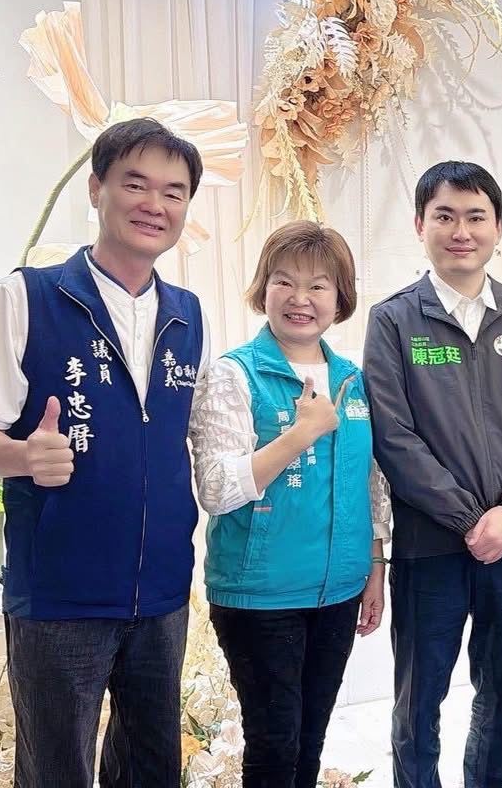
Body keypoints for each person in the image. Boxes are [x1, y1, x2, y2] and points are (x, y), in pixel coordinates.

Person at [0, 118, 209, 787]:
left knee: (151, 770)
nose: (155, 204)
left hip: (161, 591)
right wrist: (25, 457)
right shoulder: (26, 297)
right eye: (136, 184)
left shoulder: (188, 314)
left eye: (174, 192)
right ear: (97, 189)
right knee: (56, 773)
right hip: (60, 594)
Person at [363, 161, 502, 788]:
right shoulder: (394, 320)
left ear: (498, 227)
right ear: (419, 224)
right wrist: (468, 518)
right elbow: (393, 437)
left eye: (476, 217)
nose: (461, 231)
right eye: (445, 216)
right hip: (431, 545)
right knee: (418, 699)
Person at [189, 221, 389, 787]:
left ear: (339, 298)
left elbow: (371, 482)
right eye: (285, 281)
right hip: (261, 594)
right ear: (264, 287)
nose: (301, 298)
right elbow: (216, 489)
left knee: (310, 740)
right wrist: (300, 435)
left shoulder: (353, 380)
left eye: (318, 285)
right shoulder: (234, 374)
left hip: (340, 588)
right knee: (274, 747)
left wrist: (375, 566)